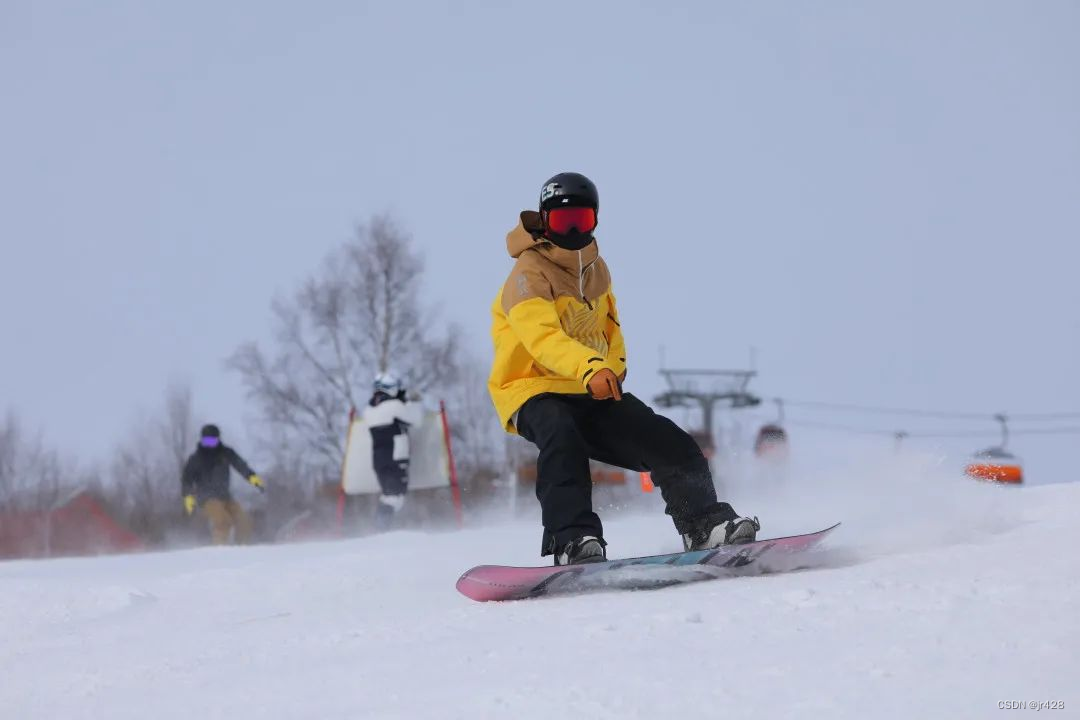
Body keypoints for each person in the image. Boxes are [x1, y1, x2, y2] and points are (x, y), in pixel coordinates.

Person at [488, 172, 760, 565]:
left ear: (595, 220)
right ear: (544, 223)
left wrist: (611, 369)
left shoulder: (596, 270)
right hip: (532, 387)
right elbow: (541, 337)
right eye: (563, 222)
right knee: (561, 436)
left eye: (581, 220)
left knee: (669, 441)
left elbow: (609, 331)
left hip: (590, 387)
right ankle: (574, 541)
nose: (573, 230)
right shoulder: (527, 275)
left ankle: (703, 525)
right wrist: (590, 368)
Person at [181, 424, 265, 544]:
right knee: (223, 521)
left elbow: (240, 466)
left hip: (225, 496)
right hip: (207, 498)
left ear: (218, 439)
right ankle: (220, 552)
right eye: (207, 441)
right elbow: (187, 479)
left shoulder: (225, 453)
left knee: (244, 521)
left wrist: (253, 478)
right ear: (202, 440)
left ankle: (242, 549)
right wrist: (188, 497)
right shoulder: (196, 459)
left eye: (212, 441)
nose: (210, 444)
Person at [362, 372, 423, 529]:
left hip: (380, 460)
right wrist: (414, 401)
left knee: (390, 496)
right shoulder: (394, 407)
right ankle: (380, 530)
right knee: (394, 498)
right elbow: (416, 420)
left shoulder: (369, 411)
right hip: (396, 459)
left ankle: (381, 529)